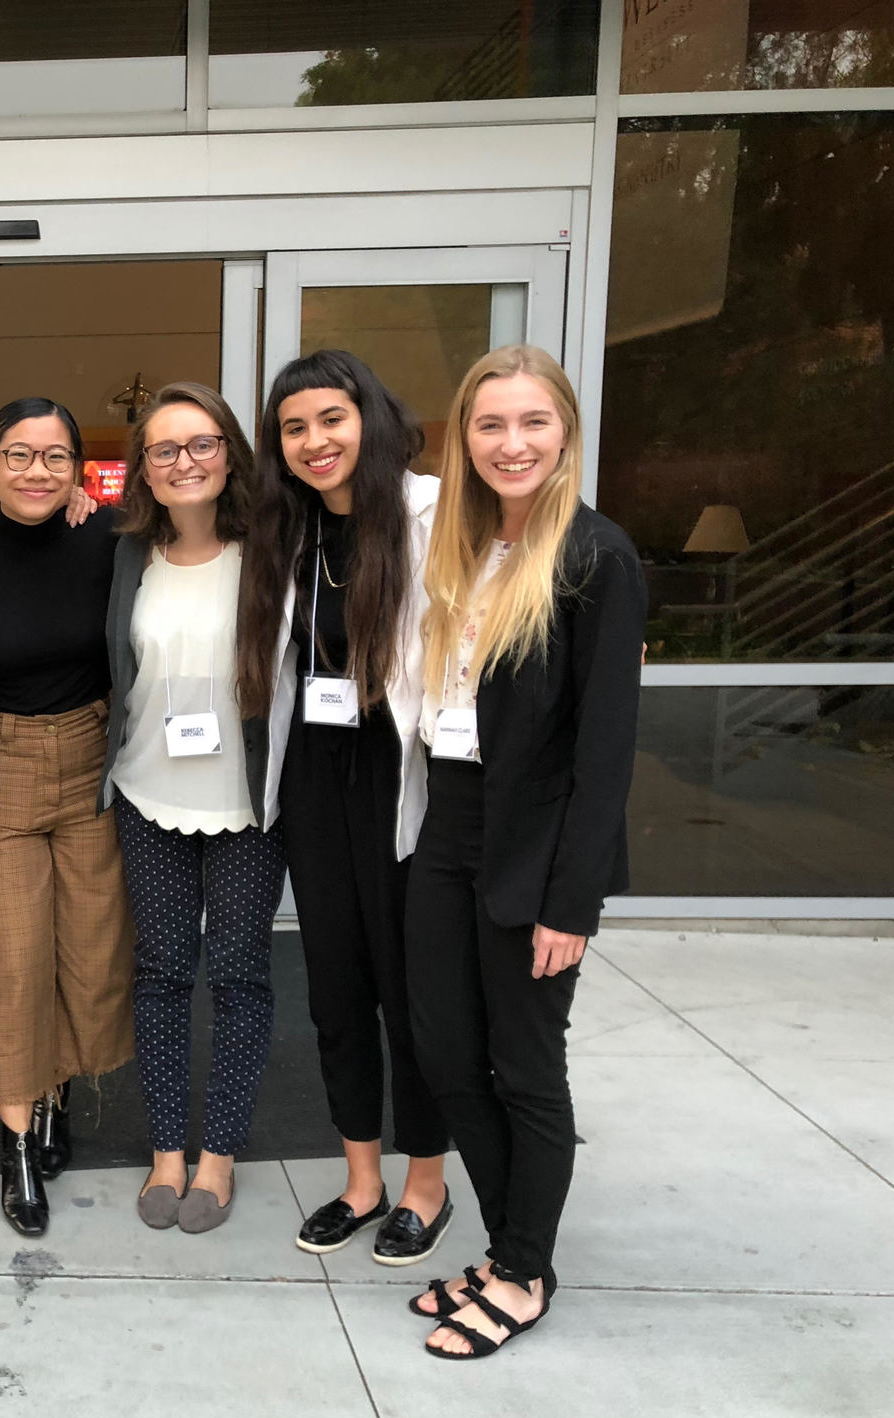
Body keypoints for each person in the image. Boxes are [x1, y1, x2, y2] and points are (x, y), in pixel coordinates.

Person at [403, 345, 645, 1359]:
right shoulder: (459, 548)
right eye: (489, 425)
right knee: (449, 1059)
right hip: (446, 827)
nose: (511, 444)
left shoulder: (595, 558)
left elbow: (603, 757)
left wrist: (570, 904)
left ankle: (522, 1269)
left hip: (533, 845)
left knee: (524, 1069)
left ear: (564, 434)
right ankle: (508, 1248)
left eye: (531, 423)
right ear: (463, 439)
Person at [242, 350, 453, 1266]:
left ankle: (426, 1186)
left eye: (332, 419)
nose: (315, 441)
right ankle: (361, 1179)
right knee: (334, 988)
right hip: (315, 779)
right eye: (294, 428)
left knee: (412, 994)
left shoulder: (431, 513)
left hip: (402, 772)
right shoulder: (286, 530)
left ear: (368, 417)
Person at [100, 381, 290, 1235]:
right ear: (144, 467)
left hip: (248, 806)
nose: (186, 462)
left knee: (242, 977)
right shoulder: (120, 552)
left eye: (203, 443)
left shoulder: (274, 551)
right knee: (164, 974)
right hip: (147, 795)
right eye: (166, 449)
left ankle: (221, 1155)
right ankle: (167, 1150)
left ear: (230, 454)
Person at [0, 397, 134, 1237]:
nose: (36, 471)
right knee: (16, 962)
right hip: (2, 770)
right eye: (18, 455)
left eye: (55, 457)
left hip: (95, 762)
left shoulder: (111, 542)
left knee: (90, 952)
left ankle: (59, 1091)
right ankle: (16, 1139)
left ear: (78, 468)